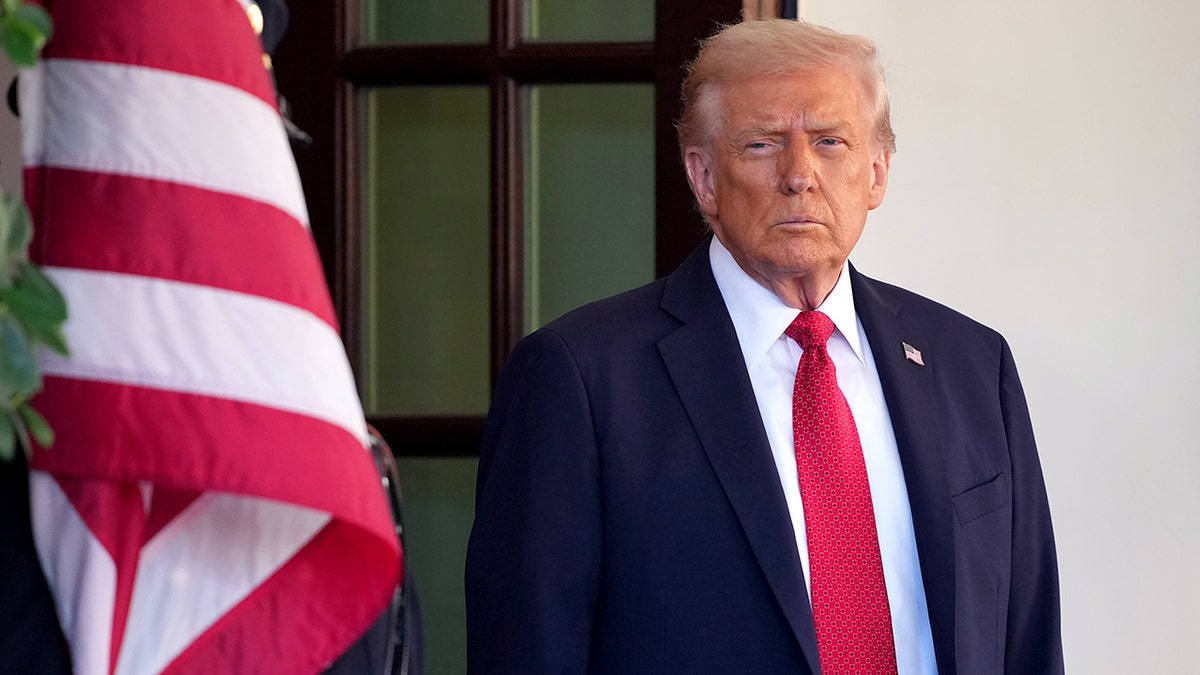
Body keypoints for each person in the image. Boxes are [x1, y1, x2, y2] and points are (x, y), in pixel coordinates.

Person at [465, 18, 1062, 675]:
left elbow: (1026, 638)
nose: (799, 174)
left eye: (830, 142)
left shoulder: (972, 365)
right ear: (704, 177)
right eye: (762, 144)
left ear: (876, 172)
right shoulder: (579, 378)